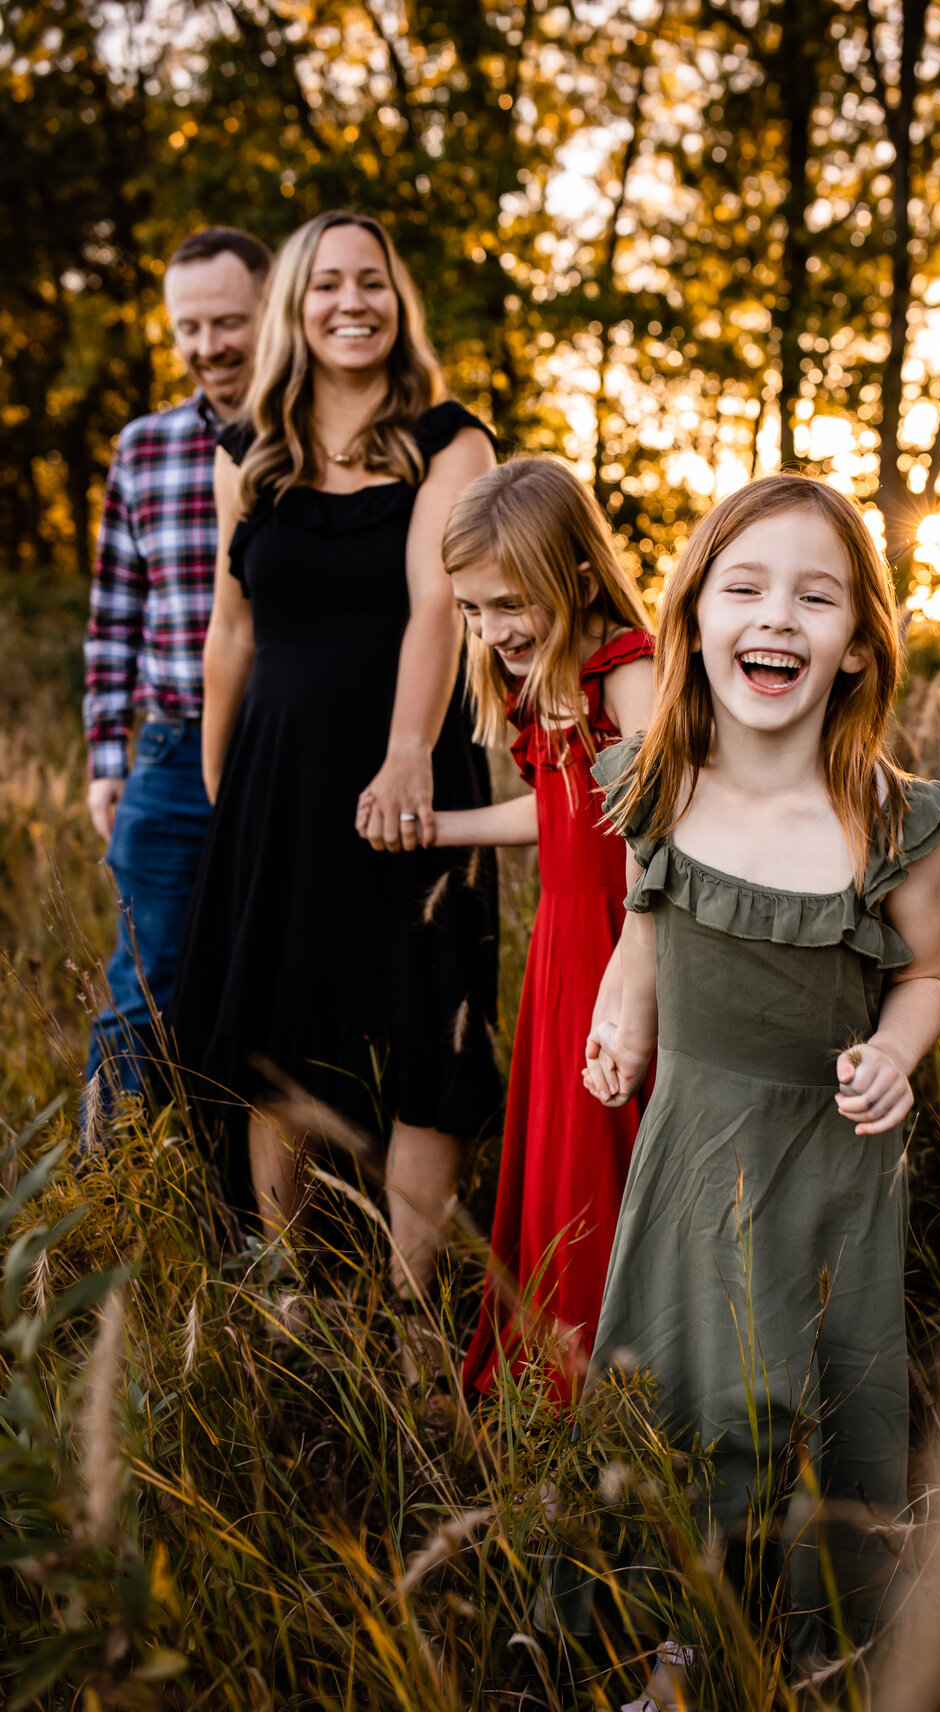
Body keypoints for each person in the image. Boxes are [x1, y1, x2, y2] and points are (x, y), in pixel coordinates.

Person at [579, 474, 940, 1712]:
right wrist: (621, 1024)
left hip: (832, 1162)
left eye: (816, 595)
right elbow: (640, 936)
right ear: (695, 619)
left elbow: (921, 978)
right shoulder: (667, 784)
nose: (778, 617)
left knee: (823, 1416)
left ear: (859, 639)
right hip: (694, 1148)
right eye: (745, 588)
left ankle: (835, 1683)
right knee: (698, 1401)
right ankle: (679, 1650)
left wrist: (896, 1055)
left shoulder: (890, 819)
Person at [168, 212, 501, 1289]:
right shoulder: (251, 457)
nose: (351, 302)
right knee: (277, 1029)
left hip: (411, 777)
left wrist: (408, 751)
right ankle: (291, 1295)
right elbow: (232, 634)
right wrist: (226, 788)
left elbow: (435, 607)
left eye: (372, 282)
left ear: (396, 302)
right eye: (326, 285)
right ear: (294, 309)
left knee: (425, 1032)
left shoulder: (450, 444)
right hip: (277, 784)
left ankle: (409, 1312)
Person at [402, 457, 654, 1400]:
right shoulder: (548, 674)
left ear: (581, 580)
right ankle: (550, 1364)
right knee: (554, 1148)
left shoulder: (627, 672)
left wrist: (634, 970)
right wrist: (440, 828)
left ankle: (609, 1372)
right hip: (561, 938)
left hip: (622, 940)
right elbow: (555, 813)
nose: (491, 629)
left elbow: (650, 828)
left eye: (510, 603)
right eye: (471, 610)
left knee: (605, 1150)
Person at [82, 227, 271, 1100]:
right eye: (188, 329)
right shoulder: (143, 448)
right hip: (168, 752)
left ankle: (256, 1209)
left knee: (276, 988)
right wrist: (106, 761)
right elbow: (114, 614)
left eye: (227, 323)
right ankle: (109, 1199)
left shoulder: (316, 444)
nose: (208, 348)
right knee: (144, 991)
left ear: (272, 307)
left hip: (286, 750)